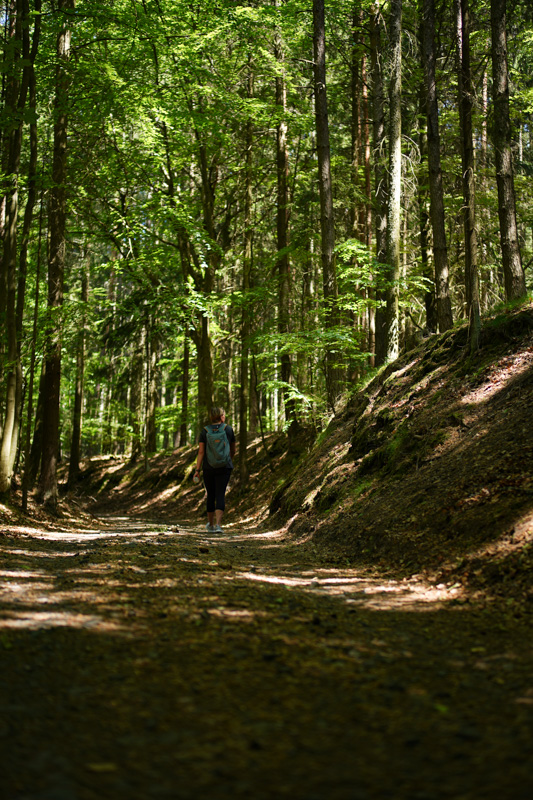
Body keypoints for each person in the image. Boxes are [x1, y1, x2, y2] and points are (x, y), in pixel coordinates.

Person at [194, 406, 236, 533]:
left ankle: (211, 525)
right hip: (224, 467)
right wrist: (227, 460)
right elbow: (233, 450)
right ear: (222, 416)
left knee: (210, 495)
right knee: (220, 494)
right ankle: (218, 525)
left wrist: (197, 470)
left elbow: (201, 452)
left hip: (208, 467)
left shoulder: (205, 431)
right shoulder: (228, 429)